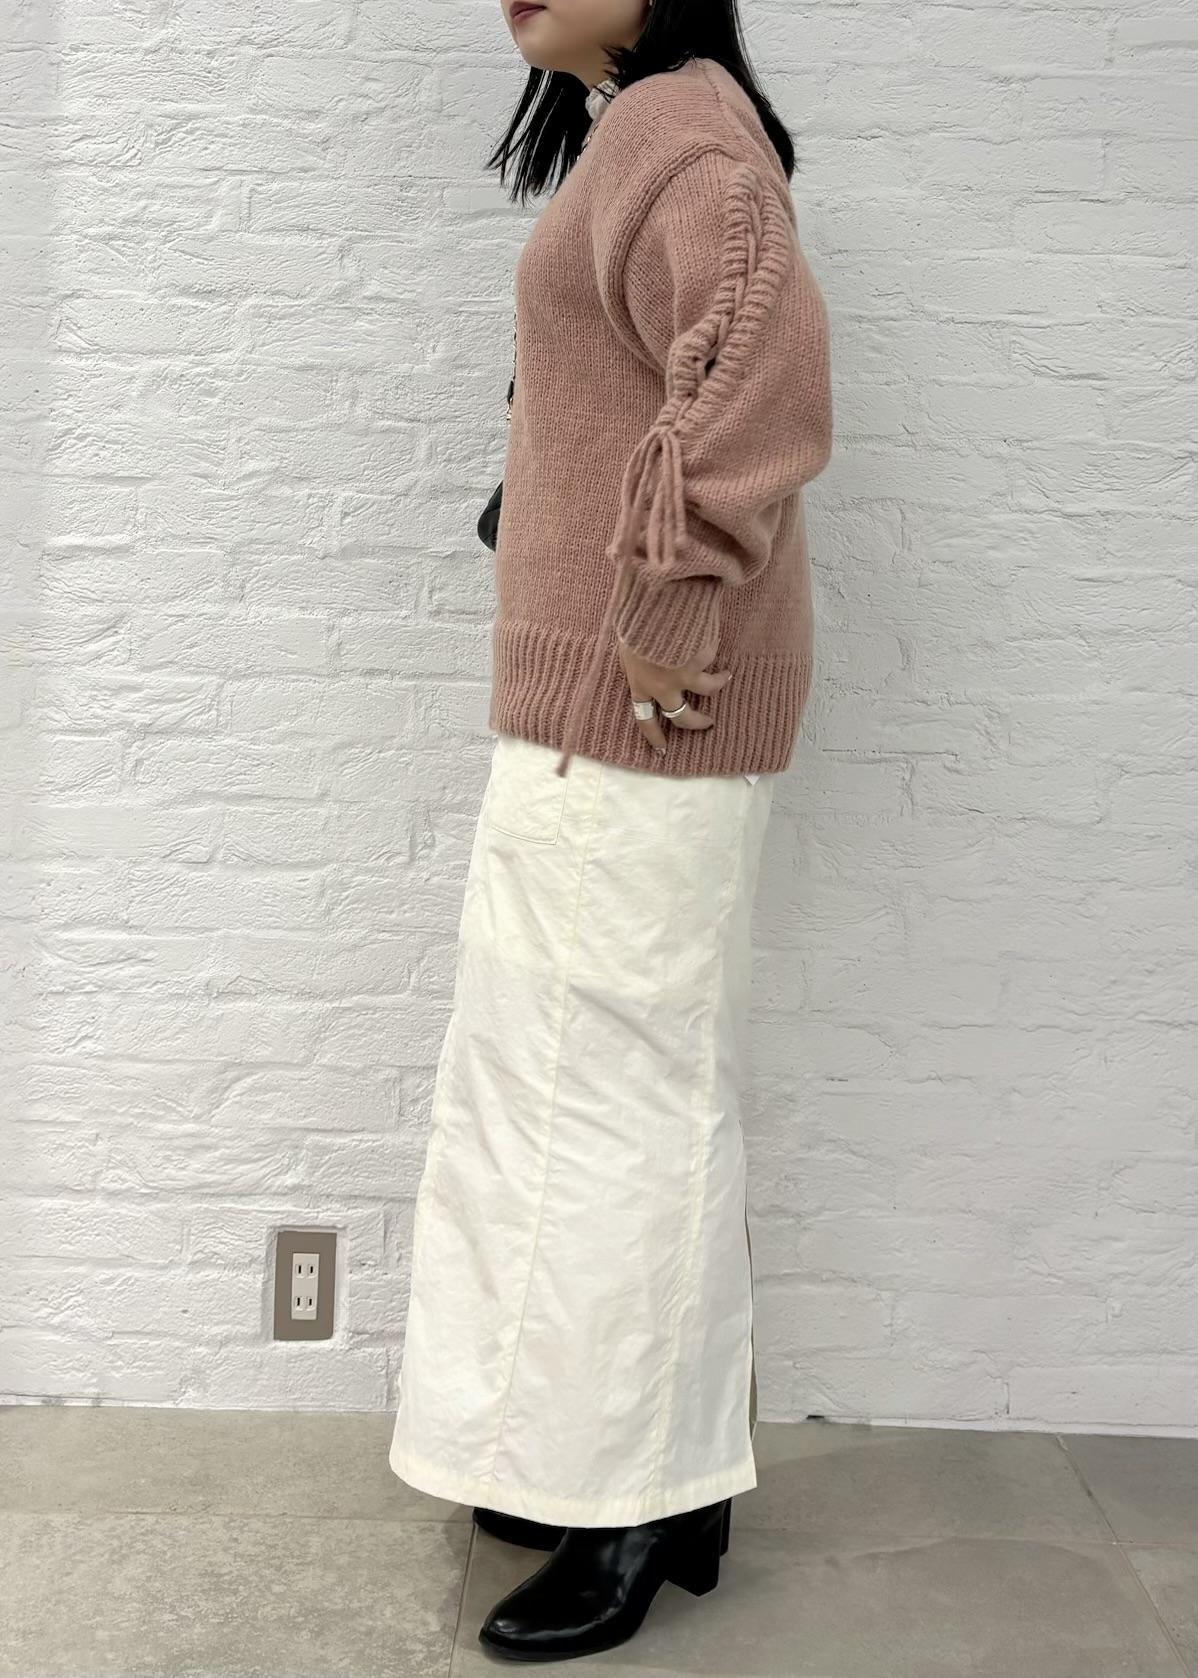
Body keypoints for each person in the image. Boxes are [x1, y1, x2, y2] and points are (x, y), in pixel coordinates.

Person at [389, 0, 833, 1662]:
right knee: (570, 1093)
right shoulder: (638, 131)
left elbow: (755, 380)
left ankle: (634, 1495)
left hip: (644, 707)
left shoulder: (684, 137)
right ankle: (638, 1466)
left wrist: (660, 600)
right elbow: (636, 385)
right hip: (599, 703)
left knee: (613, 1108)